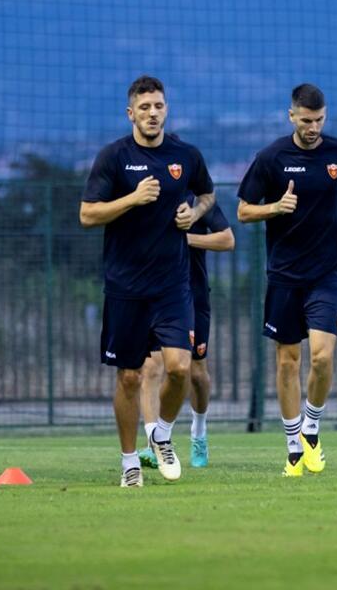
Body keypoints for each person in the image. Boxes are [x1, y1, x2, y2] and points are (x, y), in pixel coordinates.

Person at [80, 76, 215, 487]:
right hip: (126, 287)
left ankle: (161, 434)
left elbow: (207, 195)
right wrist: (132, 199)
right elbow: (88, 214)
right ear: (131, 114)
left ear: (166, 109)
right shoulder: (114, 157)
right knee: (129, 377)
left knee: (179, 368)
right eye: (144, 107)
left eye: (158, 106)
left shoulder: (185, 155)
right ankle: (129, 464)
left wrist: (194, 213)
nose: (152, 113)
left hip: (173, 285)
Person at [237, 83, 337, 477]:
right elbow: (243, 211)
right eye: (306, 120)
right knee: (288, 362)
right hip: (285, 275)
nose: (313, 127)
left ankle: (312, 426)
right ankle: (293, 446)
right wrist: (276, 207)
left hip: (328, 271)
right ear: (291, 116)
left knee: (323, 356)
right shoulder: (271, 158)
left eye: (319, 120)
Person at [137, 192, 235, 469]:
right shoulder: (147, 195)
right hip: (154, 295)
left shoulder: (197, 200)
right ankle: (154, 442)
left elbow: (227, 240)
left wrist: (186, 239)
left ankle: (199, 432)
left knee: (196, 374)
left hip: (193, 297)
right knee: (150, 367)